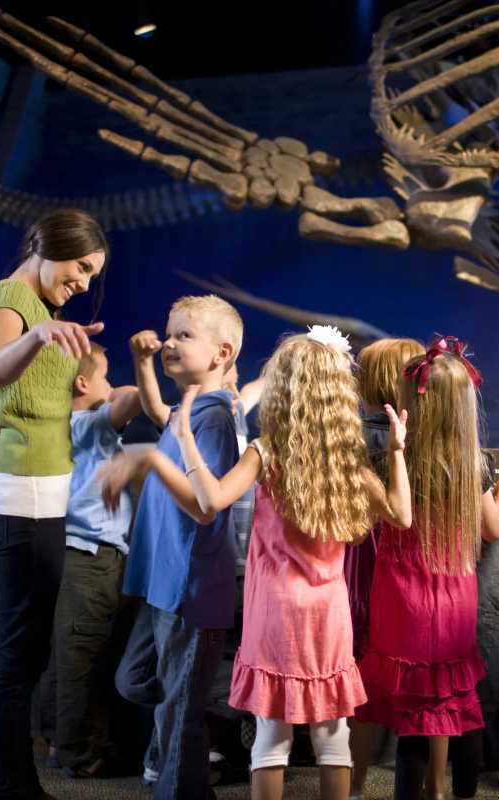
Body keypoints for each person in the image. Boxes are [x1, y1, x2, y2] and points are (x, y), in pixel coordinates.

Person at [120, 326, 413, 800]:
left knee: (271, 739)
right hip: (327, 616)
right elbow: (401, 514)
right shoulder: (347, 460)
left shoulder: (267, 452)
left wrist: (182, 442)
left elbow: (210, 500)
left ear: (284, 390)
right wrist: (397, 450)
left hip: (274, 614)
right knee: (332, 736)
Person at [0, 207, 108, 800]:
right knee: (20, 651)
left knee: (24, 647)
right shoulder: (18, 304)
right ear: (50, 247)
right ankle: (8, 784)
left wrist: (0, 434)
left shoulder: (12, 302)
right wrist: (37, 336)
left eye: (93, 275)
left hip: (23, 493)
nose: (85, 283)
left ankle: (10, 778)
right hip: (25, 501)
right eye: (81, 268)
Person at [356, 337, 499, 800]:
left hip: (400, 597)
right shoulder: (475, 465)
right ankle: (444, 788)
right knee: (450, 700)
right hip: (453, 599)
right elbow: (492, 528)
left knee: (411, 715)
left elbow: (367, 521)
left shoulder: (389, 460)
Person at [101, 294, 244, 800]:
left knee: (180, 706)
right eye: (170, 333)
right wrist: (142, 362)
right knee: (136, 680)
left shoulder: (216, 417)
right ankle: (183, 738)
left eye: (185, 335)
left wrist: (146, 461)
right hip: (162, 583)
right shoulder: (192, 406)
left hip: (189, 585)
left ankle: (181, 761)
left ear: (221, 352)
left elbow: (206, 505)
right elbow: (160, 411)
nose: (170, 343)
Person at [345, 337, 433, 800]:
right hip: (396, 563)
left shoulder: (351, 431)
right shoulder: (411, 435)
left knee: (357, 681)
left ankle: (354, 785)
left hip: (357, 565)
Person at [55, 344, 143, 776]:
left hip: (78, 556)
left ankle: (60, 740)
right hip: (93, 557)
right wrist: (118, 389)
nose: (111, 384)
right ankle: (80, 754)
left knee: (69, 652)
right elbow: (132, 397)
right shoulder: (89, 425)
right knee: (84, 655)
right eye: (104, 376)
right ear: (81, 383)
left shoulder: (62, 426)